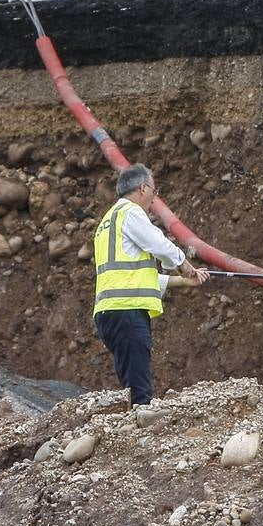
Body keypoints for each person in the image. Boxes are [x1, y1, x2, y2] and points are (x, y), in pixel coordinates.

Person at [92, 164, 205, 405]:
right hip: (127, 312)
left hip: (110, 313)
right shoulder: (130, 213)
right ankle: (139, 434)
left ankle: (133, 428)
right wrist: (184, 265)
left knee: (132, 385)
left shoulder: (108, 221)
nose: (155, 199)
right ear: (143, 188)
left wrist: (183, 282)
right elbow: (159, 244)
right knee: (140, 392)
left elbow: (133, 276)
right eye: (154, 191)